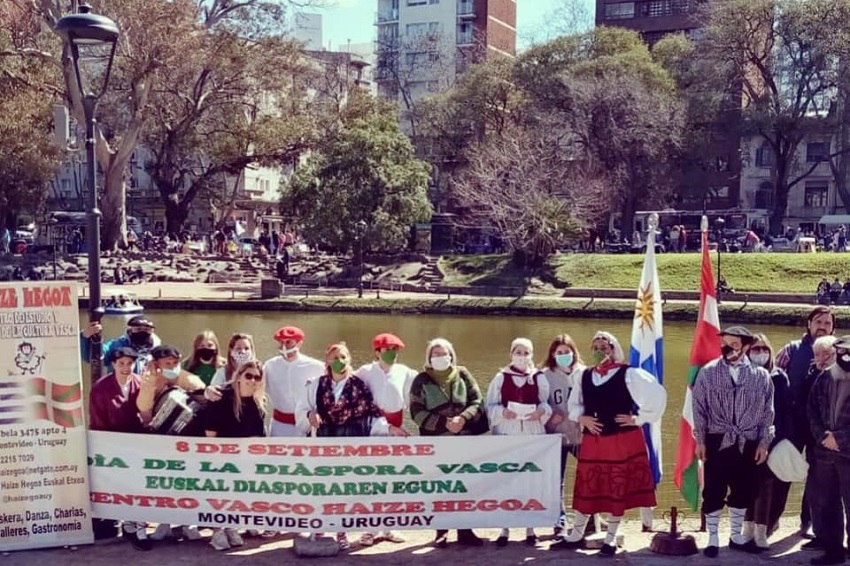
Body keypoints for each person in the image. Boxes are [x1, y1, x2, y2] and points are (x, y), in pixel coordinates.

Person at [550, 331, 666, 556]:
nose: (600, 352)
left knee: (617, 488)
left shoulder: (629, 374)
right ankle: (575, 534)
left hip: (623, 441)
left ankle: (610, 539)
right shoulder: (583, 375)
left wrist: (638, 418)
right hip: (594, 441)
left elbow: (657, 395)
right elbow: (574, 405)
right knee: (588, 486)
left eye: (605, 347)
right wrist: (581, 418)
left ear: (613, 350)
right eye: (595, 347)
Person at [296, 342, 405, 550]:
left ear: (350, 359)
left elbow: (369, 415)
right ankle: (319, 529)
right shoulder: (315, 384)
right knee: (323, 488)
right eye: (335, 357)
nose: (340, 361)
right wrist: (309, 415)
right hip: (325, 443)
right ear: (327, 360)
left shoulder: (359, 385)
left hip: (350, 443)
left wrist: (390, 428)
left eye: (344, 357)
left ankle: (341, 531)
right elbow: (301, 410)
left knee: (344, 489)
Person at [692, 326, 774, 558]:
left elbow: (768, 413)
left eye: (734, 345)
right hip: (718, 439)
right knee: (713, 490)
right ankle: (713, 538)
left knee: (744, 490)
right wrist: (700, 439)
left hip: (748, 440)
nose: (728, 349)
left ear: (746, 347)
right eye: (725, 344)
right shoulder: (708, 372)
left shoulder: (761, 376)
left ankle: (736, 535)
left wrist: (764, 442)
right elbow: (699, 409)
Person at [409, 338, 487, 548]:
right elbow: (416, 412)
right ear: (428, 357)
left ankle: (465, 530)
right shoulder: (421, 380)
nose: (440, 357)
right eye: (435, 354)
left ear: (451, 355)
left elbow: (477, 401)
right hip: (436, 442)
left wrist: (462, 419)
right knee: (441, 486)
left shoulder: (463, 374)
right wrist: (444, 423)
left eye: (444, 353)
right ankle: (441, 531)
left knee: (464, 485)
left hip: (464, 439)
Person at [136, 345, 210, 542]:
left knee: (190, 482)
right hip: (161, 437)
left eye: (175, 362)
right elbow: (143, 407)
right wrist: (152, 379)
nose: (171, 365)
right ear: (156, 363)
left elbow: (205, 402)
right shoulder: (149, 380)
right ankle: (164, 522)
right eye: (167, 362)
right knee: (164, 483)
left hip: (189, 437)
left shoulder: (188, 378)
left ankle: (189, 523)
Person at [776, 306, 835, 537]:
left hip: (821, 428)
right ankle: (772, 518)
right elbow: (772, 382)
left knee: (817, 476)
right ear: (808, 324)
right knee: (782, 468)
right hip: (792, 423)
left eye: (828, 323)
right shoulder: (790, 350)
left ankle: (807, 522)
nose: (822, 326)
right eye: (818, 321)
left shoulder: (839, 354)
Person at [486, 337, 551, 547]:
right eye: (518, 352)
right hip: (508, 431)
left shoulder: (539, 377)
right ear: (511, 354)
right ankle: (504, 529)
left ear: (532, 355)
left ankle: (530, 529)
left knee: (530, 480)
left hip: (532, 431)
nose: (522, 356)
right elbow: (489, 406)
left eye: (526, 353)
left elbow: (545, 403)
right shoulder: (500, 377)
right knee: (506, 480)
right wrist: (501, 412)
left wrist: (541, 412)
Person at [354, 332, 417, 546]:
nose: (392, 354)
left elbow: (422, 386)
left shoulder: (405, 371)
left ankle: (390, 527)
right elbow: (343, 381)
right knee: (372, 481)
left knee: (394, 480)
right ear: (377, 352)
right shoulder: (365, 371)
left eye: (395, 350)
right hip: (372, 429)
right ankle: (369, 529)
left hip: (397, 430)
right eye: (388, 350)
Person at [88, 347, 149, 550]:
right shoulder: (100, 388)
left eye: (129, 363)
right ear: (113, 364)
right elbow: (97, 422)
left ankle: (137, 528)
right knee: (118, 488)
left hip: (138, 445)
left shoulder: (141, 383)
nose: (125, 367)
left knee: (140, 487)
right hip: (111, 445)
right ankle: (118, 523)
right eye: (121, 363)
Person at [203, 360, 268, 551]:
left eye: (257, 377)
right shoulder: (221, 397)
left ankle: (231, 525)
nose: (252, 380)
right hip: (219, 454)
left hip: (244, 457)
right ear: (238, 376)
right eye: (248, 375)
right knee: (218, 491)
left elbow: (258, 436)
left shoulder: (259, 404)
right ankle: (216, 530)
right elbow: (210, 433)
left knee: (237, 492)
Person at [737, 333, 793, 552]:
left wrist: (771, 442)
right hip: (744, 441)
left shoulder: (778, 377)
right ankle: (746, 530)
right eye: (755, 349)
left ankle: (761, 533)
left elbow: (784, 413)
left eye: (764, 349)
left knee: (765, 487)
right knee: (746, 486)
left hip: (769, 440)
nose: (760, 353)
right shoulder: (740, 375)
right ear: (747, 352)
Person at [807, 336, 850, 566]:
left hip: (849, 454)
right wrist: (824, 436)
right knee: (828, 505)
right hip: (825, 454)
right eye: (842, 352)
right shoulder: (825, 377)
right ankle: (833, 552)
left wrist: (840, 438)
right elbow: (811, 409)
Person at [542, 334, 587, 537]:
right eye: (559, 352)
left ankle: (589, 517)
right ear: (553, 354)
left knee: (589, 475)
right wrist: (549, 417)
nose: (563, 355)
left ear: (573, 352)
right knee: (556, 479)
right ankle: (559, 520)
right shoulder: (544, 375)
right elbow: (538, 403)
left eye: (566, 352)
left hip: (580, 435)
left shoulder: (584, 373)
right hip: (555, 437)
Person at [264, 326, 324, 436]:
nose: (284, 347)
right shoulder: (270, 366)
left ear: (299, 343)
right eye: (281, 343)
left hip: (308, 425)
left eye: (288, 342)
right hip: (280, 425)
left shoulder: (316, 367)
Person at [80, 315, 162, 376]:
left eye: (147, 329)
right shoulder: (117, 345)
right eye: (138, 329)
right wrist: (85, 337)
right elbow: (93, 358)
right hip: (122, 391)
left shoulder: (158, 349)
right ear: (130, 330)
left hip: (148, 391)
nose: (142, 332)